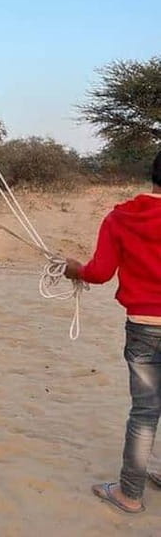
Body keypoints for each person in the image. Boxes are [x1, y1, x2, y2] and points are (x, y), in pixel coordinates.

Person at [64, 150, 161, 514]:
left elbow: (100, 272)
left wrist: (74, 269)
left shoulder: (121, 217)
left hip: (144, 328)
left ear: (152, 174)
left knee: (145, 411)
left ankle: (130, 495)